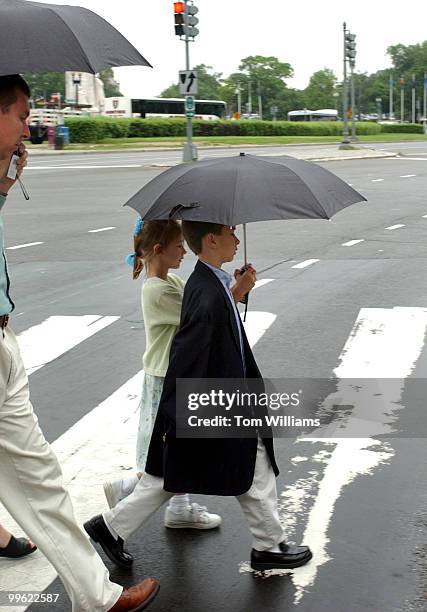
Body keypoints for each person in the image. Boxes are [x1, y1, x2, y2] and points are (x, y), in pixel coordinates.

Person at [0, 74, 159, 611]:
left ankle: (95, 596)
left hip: (3, 340)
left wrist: (1, 184)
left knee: (39, 477)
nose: (30, 126)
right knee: (37, 477)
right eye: (22, 115)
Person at [85, 221, 313, 572]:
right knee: (242, 462)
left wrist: (240, 289)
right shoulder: (205, 292)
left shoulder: (208, 283)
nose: (237, 240)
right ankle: (268, 545)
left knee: (181, 472)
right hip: (213, 398)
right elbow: (189, 356)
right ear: (211, 239)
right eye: (230, 233)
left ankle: (112, 527)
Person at [103, 218, 254, 531]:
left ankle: (174, 506)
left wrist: (231, 285)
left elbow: (208, 300)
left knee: (176, 448)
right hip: (164, 378)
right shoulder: (156, 291)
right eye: (178, 247)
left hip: (173, 373)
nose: (184, 252)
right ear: (159, 249)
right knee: (172, 447)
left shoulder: (171, 283)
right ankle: (129, 489)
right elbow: (205, 313)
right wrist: (239, 289)